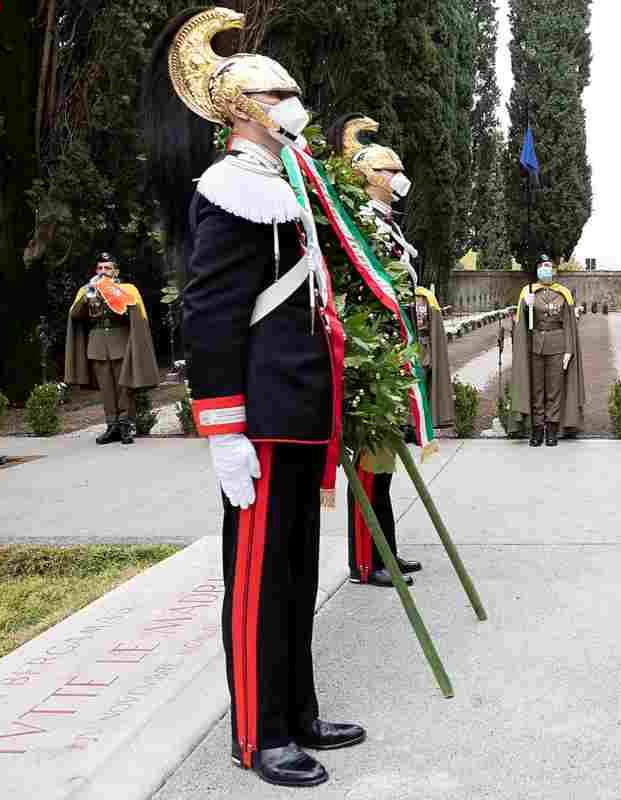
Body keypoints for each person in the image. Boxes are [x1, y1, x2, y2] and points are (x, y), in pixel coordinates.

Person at [142, 7, 361, 787]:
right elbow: (209, 313)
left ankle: (298, 711)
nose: (295, 105)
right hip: (261, 419)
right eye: (280, 95)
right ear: (241, 109)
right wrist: (223, 429)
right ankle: (258, 734)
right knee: (258, 581)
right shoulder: (230, 187)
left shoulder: (286, 180)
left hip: (298, 410)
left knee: (298, 572)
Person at [328, 114, 451, 587]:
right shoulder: (363, 224)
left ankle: (387, 551)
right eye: (389, 171)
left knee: (384, 466)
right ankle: (365, 561)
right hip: (373, 356)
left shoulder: (387, 224)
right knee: (371, 465)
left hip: (392, 351)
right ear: (366, 176)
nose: (399, 179)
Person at [63, 253, 159, 445]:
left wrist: (113, 294)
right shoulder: (87, 289)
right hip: (98, 345)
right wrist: (88, 296)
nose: (103, 272)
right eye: (99, 268)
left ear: (116, 271)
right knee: (107, 389)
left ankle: (126, 426)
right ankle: (111, 426)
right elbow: (75, 316)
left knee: (124, 388)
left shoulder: (127, 289)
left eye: (107, 268)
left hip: (121, 343)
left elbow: (135, 316)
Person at [510, 255, 584, 446]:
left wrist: (569, 350)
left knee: (554, 391)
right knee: (537, 390)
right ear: (537, 270)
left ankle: (551, 430)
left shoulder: (563, 294)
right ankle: (537, 431)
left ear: (554, 270)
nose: (546, 269)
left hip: (557, 346)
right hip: (535, 345)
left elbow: (568, 324)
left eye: (549, 266)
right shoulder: (528, 291)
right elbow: (522, 324)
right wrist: (526, 306)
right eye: (542, 266)